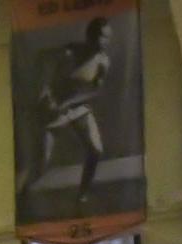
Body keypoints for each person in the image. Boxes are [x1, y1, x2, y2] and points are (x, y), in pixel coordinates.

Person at [16, 17, 114, 211]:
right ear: (92, 36)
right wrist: (44, 92)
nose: (106, 42)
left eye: (108, 38)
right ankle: (24, 192)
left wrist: (71, 102)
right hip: (54, 110)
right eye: (103, 37)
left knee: (96, 150)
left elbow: (96, 90)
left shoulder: (103, 61)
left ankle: (83, 193)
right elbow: (43, 60)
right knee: (42, 163)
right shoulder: (71, 51)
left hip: (79, 108)